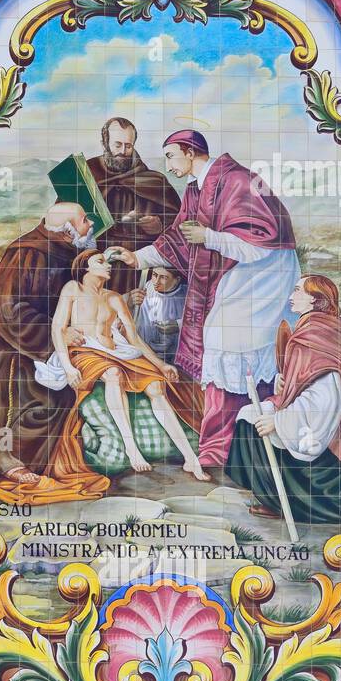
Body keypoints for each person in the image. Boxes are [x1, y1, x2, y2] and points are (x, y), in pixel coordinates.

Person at [108, 130, 299, 467]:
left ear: (190, 152)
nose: (167, 165)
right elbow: (180, 242)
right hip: (237, 273)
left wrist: (209, 237)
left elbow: (263, 241)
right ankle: (222, 448)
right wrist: (136, 258)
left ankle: (245, 444)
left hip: (263, 274)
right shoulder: (196, 190)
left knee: (229, 345)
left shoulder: (238, 180)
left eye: (170, 156)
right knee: (221, 349)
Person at [0, 251, 207, 504]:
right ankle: (131, 447)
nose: (109, 267)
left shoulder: (114, 298)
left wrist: (160, 364)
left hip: (116, 351)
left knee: (157, 386)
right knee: (113, 374)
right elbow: (58, 328)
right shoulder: (73, 289)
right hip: (84, 352)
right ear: (85, 267)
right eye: (101, 262)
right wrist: (68, 366)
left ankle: (190, 458)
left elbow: (133, 338)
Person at [0, 199, 94, 492]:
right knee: (31, 407)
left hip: (56, 351)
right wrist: (53, 334)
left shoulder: (69, 253)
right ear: (68, 231)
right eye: (85, 220)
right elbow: (6, 309)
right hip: (19, 352)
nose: (91, 224)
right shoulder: (26, 252)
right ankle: (7, 461)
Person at [225, 275, 341, 524]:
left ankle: (289, 503)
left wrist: (278, 422)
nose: (291, 297)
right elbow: (310, 379)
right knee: (248, 415)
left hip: (340, 476)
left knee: (256, 425)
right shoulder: (326, 328)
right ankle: (275, 499)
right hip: (337, 426)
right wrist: (287, 383)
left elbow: (325, 399)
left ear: (314, 299)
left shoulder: (315, 335)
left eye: (297, 291)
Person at [85, 117, 182, 294]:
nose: (123, 151)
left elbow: (179, 222)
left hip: (139, 264)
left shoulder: (155, 181)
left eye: (128, 146)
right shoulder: (88, 173)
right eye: (117, 145)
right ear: (104, 143)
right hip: (99, 259)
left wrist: (160, 225)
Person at [129, 266, 186, 364]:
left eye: (163, 277)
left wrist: (178, 325)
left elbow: (200, 321)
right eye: (154, 275)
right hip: (146, 353)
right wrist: (130, 303)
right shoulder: (147, 287)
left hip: (174, 356)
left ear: (177, 280)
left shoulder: (187, 294)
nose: (156, 282)